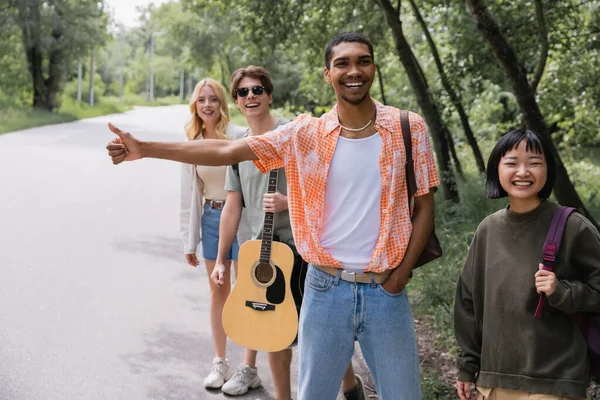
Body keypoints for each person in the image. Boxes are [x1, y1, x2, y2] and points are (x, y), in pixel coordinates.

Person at [106, 32, 439, 399]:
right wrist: (146, 149)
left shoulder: (408, 128)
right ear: (327, 74)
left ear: (374, 68)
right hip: (325, 289)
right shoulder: (304, 134)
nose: (353, 70)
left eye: (362, 61)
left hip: (385, 290)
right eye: (342, 63)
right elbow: (229, 149)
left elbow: (424, 207)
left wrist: (399, 277)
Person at [209, 66, 366, 399]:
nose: (250, 97)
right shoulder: (238, 148)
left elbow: (330, 189)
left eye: (257, 90)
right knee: (273, 336)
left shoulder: (294, 133)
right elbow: (233, 206)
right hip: (260, 255)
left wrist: (288, 201)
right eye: (243, 92)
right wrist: (222, 258)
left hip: (304, 250)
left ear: (268, 95)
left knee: (318, 334)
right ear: (236, 102)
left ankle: (350, 385)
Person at [454, 129, 600, 400]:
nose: (523, 171)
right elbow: (468, 303)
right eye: (511, 162)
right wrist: (467, 366)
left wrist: (562, 291)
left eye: (534, 162)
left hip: (555, 381)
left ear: (548, 170)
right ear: (496, 168)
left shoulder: (572, 226)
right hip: (495, 378)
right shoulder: (487, 230)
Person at [179, 78, 248, 390]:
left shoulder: (238, 136)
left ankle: (249, 366)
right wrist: (188, 239)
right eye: (202, 100)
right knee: (218, 290)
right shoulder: (191, 140)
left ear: (223, 104)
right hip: (210, 218)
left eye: (214, 100)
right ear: (196, 105)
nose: (207, 105)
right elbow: (187, 194)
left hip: (242, 219)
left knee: (248, 291)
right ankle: (219, 363)